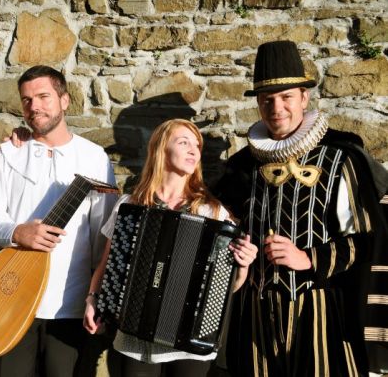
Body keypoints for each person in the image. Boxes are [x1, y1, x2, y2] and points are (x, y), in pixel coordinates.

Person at [215, 40, 388, 376]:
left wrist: (308, 258)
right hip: (255, 317)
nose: (276, 107)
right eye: (267, 100)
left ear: (304, 98)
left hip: (322, 311)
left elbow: (368, 239)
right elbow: (220, 234)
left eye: (286, 97)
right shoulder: (241, 167)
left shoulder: (341, 158)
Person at [83, 118, 258, 377]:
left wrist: (242, 268)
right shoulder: (129, 205)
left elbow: (223, 289)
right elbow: (106, 263)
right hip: (134, 340)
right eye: (183, 142)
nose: (193, 150)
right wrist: (92, 298)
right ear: (161, 149)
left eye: (196, 145)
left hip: (188, 343)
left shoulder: (212, 211)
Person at [0, 65, 117, 377]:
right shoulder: (5, 157)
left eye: (43, 96)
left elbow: (104, 238)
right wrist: (17, 232)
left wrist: (98, 298)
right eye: (26, 100)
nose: (33, 106)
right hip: (12, 302)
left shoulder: (94, 158)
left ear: (65, 100)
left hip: (71, 305)